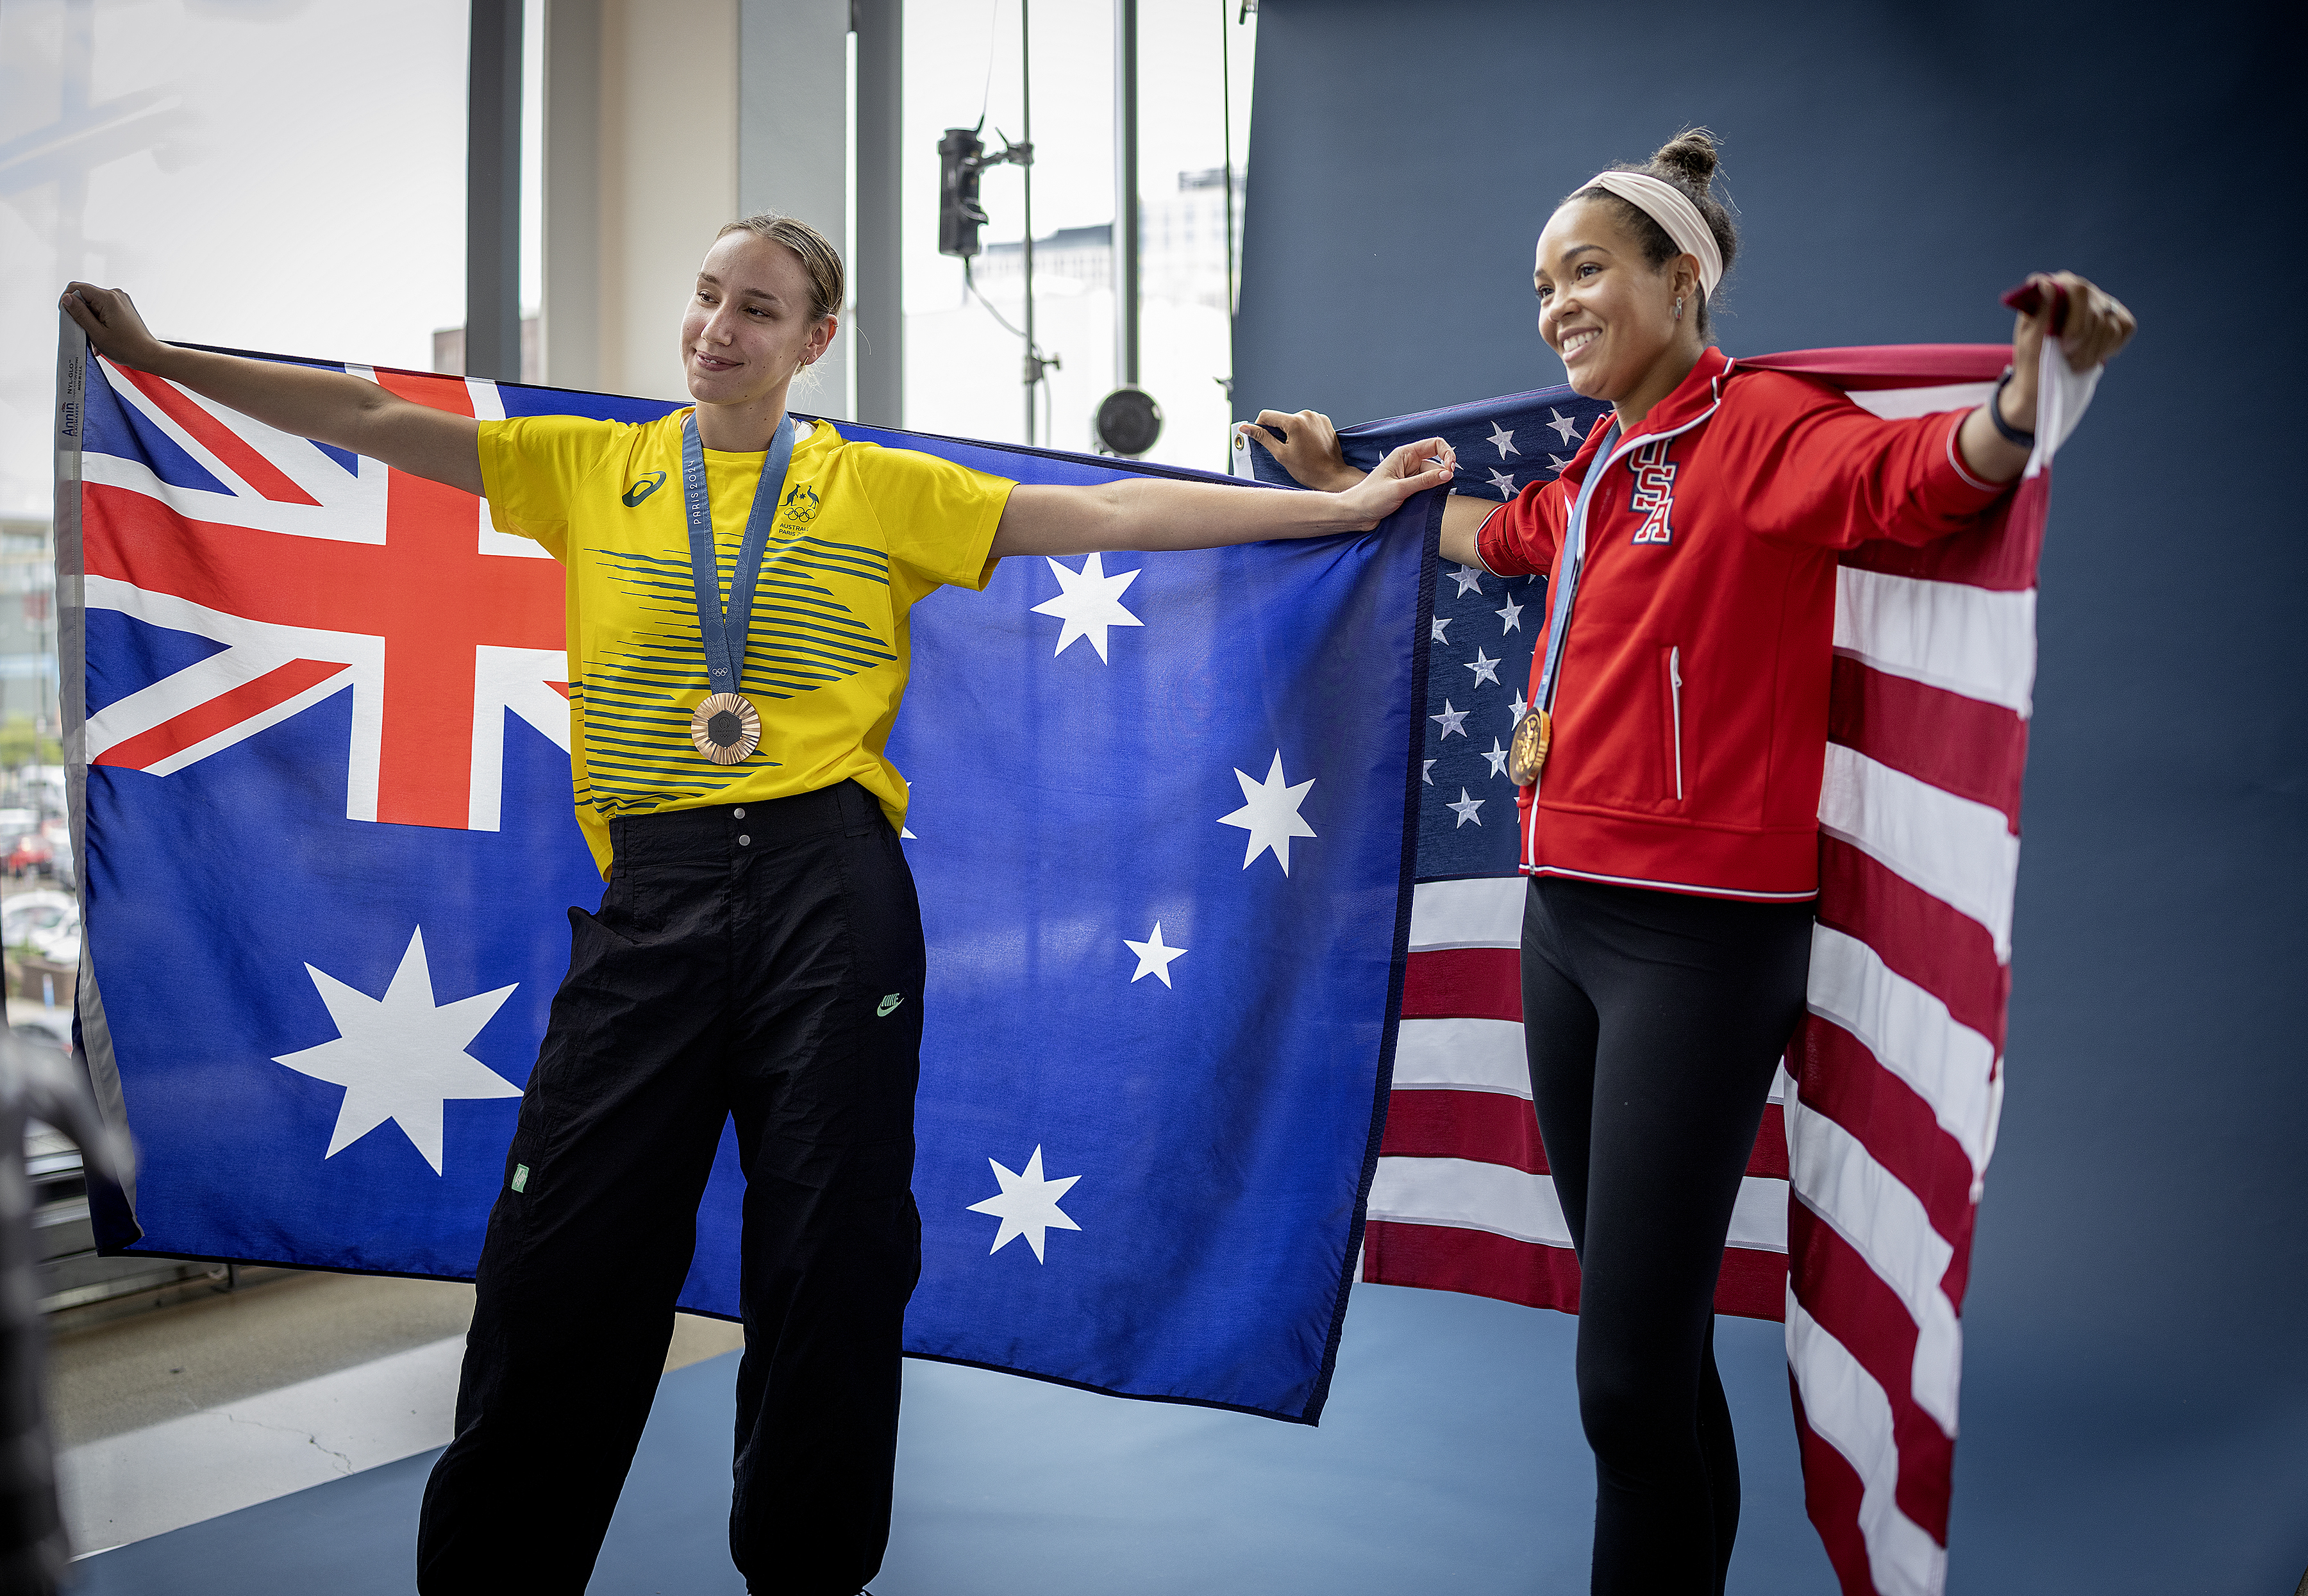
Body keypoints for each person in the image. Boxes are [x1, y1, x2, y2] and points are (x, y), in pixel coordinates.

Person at [59, 214, 1451, 1596]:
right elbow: (367, 414)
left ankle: (805, 1575)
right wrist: (163, 361)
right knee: (561, 1257)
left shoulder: (876, 488)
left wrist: (1334, 512)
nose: (719, 329)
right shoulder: (588, 467)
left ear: (814, 340)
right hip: (652, 894)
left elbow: (1106, 514)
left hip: (826, 892)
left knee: (830, 1260)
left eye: (761, 310)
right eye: (710, 296)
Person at [1242, 129, 2134, 1595]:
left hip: (1699, 948)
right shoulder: (1599, 463)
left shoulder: (1767, 426)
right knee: (1638, 1349)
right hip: (1565, 928)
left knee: (1622, 1373)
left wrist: (2027, 401)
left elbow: (1919, 479)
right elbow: (1500, 538)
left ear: (1684, 276)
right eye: (1541, 286)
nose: (1555, 306)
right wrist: (1350, 480)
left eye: (1584, 271)